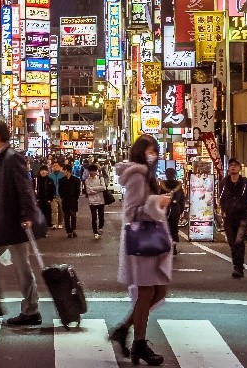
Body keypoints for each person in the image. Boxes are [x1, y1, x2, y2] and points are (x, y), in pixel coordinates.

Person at [110, 135, 172, 366]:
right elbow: (132, 211)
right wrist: (158, 202)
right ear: (140, 152)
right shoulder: (137, 175)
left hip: (150, 240)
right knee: (147, 293)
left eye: (155, 150)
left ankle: (125, 330)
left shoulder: (146, 174)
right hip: (143, 240)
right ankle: (139, 344)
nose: (153, 154)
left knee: (159, 291)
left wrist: (157, 201)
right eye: (150, 150)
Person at [0, 119, 42, 326]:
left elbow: (25, 189)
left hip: (14, 221)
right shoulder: (0, 158)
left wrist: (26, 216)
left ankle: (30, 310)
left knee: (21, 265)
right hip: (4, 221)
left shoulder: (12, 158)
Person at [217, 158, 247, 278]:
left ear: (240, 168)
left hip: (243, 216)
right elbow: (221, 199)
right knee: (232, 242)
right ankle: (237, 264)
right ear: (228, 168)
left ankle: (238, 267)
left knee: (239, 241)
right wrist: (222, 211)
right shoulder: (223, 183)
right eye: (231, 165)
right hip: (228, 217)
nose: (233, 167)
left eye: (236, 165)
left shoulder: (246, 183)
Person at [83, 159, 110, 238]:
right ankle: (95, 232)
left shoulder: (100, 178)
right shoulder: (87, 180)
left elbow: (104, 187)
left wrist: (93, 189)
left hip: (101, 201)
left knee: (101, 217)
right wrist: (98, 189)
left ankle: (100, 227)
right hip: (92, 202)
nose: (92, 172)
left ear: (96, 171)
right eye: (90, 171)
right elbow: (88, 191)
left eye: (93, 171)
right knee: (94, 217)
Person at [164, 170, 186, 255]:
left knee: (166, 228)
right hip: (175, 210)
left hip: (165, 210)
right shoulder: (178, 186)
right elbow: (182, 199)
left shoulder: (162, 185)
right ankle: (173, 245)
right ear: (175, 175)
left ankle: (167, 245)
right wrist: (181, 210)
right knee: (174, 228)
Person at [58, 163, 83, 238]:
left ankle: (74, 229)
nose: (63, 172)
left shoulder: (76, 180)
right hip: (65, 200)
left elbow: (78, 190)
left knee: (73, 215)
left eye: (64, 170)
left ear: (68, 171)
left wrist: (76, 197)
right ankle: (68, 231)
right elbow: (60, 190)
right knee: (66, 216)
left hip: (73, 200)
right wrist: (62, 197)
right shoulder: (61, 180)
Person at [35, 165, 57, 236]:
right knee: (39, 215)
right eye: (42, 170)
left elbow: (53, 190)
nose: (43, 172)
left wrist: (50, 199)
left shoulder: (50, 180)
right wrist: (36, 198)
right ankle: (40, 230)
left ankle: (45, 230)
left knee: (46, 215)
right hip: (39, 200)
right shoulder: (36, 180)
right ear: (40, 172)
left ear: (47, 172)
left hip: (47, 200)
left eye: (44, 170)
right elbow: (33, 189)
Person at [48, 161, 65, 228]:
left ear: (60, 167)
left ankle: (60, 222)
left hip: (61, 195)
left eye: (56, 166)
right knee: (54, 210)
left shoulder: (63, 175)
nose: (55, 167)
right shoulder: (50, 176)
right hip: (53, 195)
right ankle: (54, 223)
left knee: (61, 210)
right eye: (54, 166)